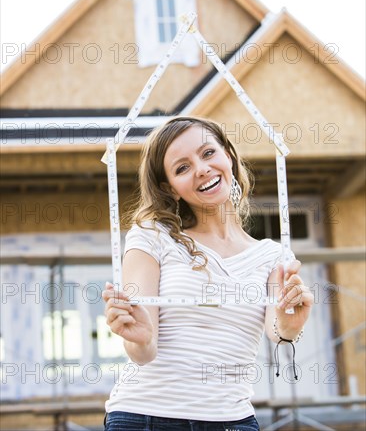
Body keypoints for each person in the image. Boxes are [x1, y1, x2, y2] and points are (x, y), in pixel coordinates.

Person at [102, 116, 314, 431]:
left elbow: (278, 330)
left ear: (228, 155)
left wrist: (289, 324)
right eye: (182, 168)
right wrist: (140, 339)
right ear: (169, 188)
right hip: (145, 416)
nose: (201, 168)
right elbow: (142, 352)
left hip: (232, 420)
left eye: (208, 153)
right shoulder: (151, 237)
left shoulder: (272, 256)